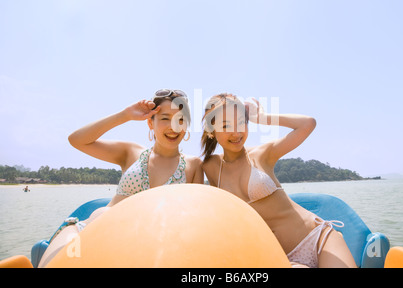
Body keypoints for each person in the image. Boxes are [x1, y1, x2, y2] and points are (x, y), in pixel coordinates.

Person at [38, 89, 204, 267]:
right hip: (88, 230)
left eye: (180, 119)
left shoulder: (193, 165)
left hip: (139, 248)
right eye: (165, 118)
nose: (174, 126)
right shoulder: (131, 152)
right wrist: (125, 115)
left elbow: (193, 221)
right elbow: (77, 140)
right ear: (150, 122)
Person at [201, 93, 356, 268]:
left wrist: (264, 118)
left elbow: (308, 124)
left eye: (241, 122)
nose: (236, 132)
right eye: (226, 125)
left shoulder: (262, 154)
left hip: (317, 239)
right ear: (211, 130)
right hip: (279, 259)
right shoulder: (210, 167)